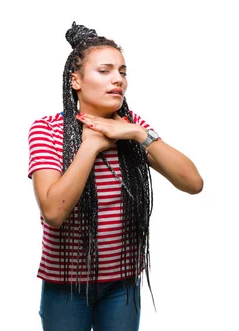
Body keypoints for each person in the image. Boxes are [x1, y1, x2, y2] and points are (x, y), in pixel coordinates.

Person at [27, 22, 203, 331]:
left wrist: (138, 133)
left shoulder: (131, 129)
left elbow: (193, 183)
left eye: (122, 72)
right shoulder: (48, 130)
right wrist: (90, 146)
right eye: (105, 71)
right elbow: (53, 212)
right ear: (76, 80)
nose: (117, 80)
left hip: (122, 285)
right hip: (66, 285)